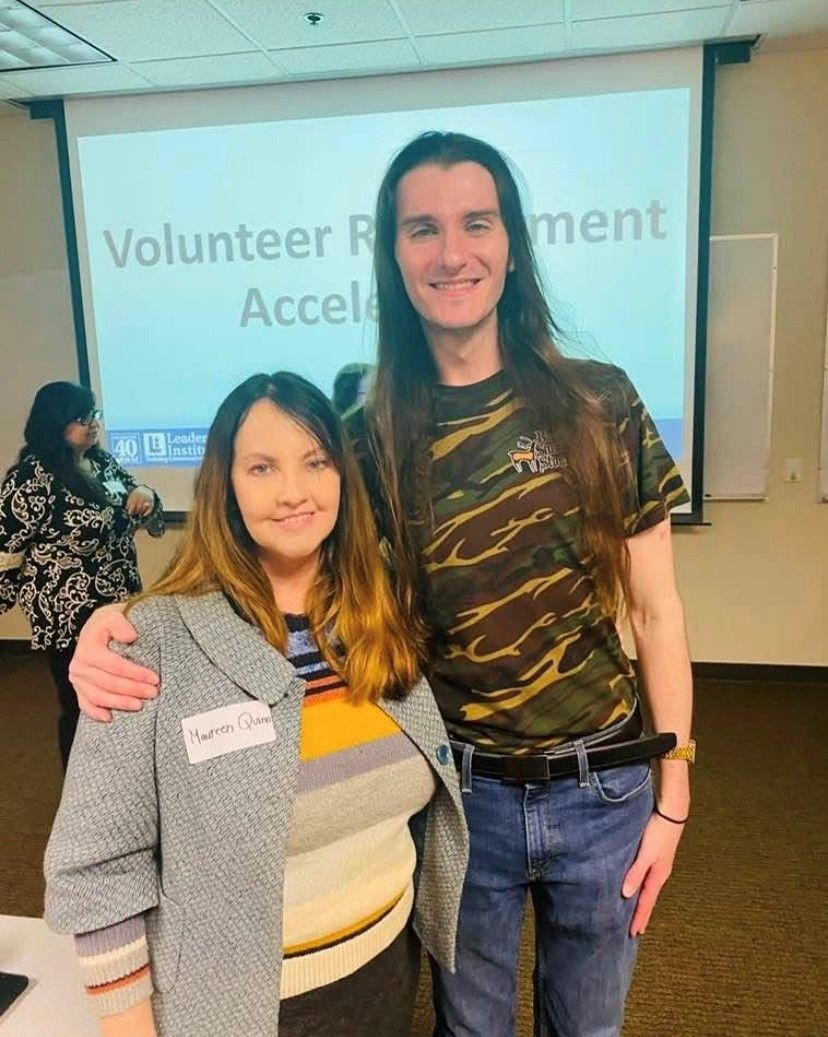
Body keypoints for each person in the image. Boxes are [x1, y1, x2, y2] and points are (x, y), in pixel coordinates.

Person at [68, 132, 694, 1036]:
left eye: (476, 223)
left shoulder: (603, 402)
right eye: (422, 229)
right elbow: (276, 556)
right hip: (456, 798)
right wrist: (115, 620)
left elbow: (657, 609)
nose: (451, 252)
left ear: (511, 242)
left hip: (608, 790)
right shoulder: (363, 439)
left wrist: (675, 792)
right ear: (392, 254)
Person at [44, 371, 468, 1037]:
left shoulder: (377, 619)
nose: (295, 491)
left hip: (386, 977)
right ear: (226, 486)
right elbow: (98, 871)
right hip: (238, 1008)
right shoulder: (148, 644)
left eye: (316, 461)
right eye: (263, 466)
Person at [0, 380, 163, 769]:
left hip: (119, 604)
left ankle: (123, 782)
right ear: (54, 423)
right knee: (82, 705)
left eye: (94, 416)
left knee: (122, 700)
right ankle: (81, 794)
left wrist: (147, 496)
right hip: (67, 613)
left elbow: (142, 504)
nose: (92, 425)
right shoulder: (30, 478)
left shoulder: (102, 464)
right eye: (81, 418)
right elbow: (6, 550)